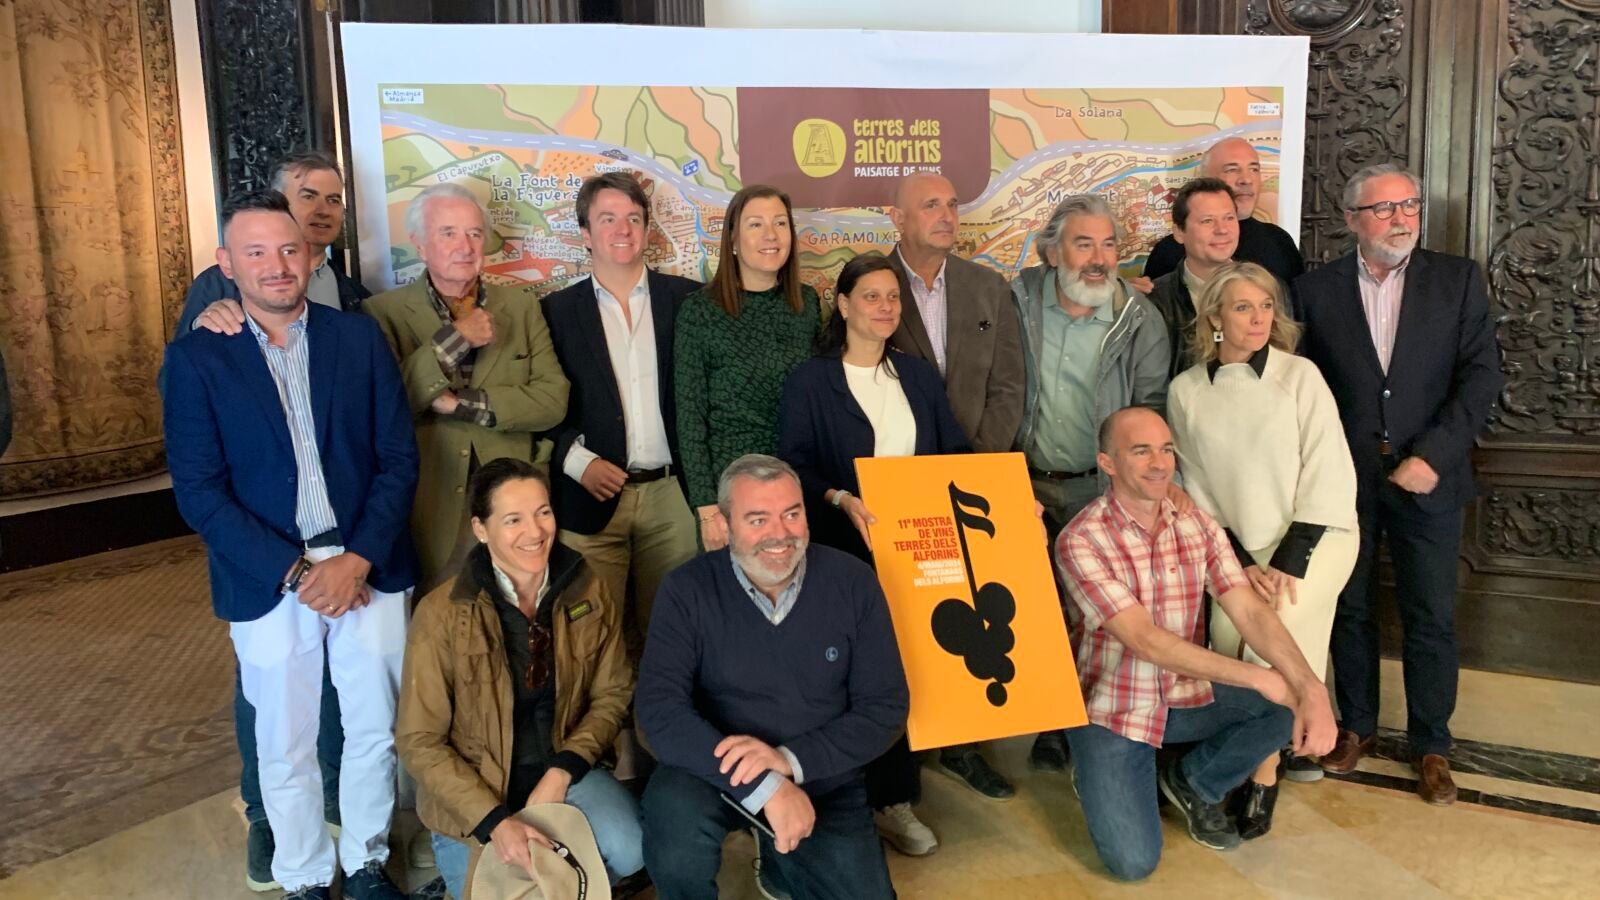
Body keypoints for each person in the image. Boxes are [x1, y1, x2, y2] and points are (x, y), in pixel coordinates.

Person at [163, 190, 418, 900]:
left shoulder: (357, 339)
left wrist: (356, 560)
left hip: (368, 564)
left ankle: (366, 865)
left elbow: (399, 460)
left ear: (309, 255)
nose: (276, 265)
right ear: (226, 264)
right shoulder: (197, 359)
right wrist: (301, 572)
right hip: (268, 578)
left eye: (288, 249)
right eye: (256, 252)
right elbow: (200, 493)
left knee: (374, 729)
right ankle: (304, 876)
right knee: (284, 741)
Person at [1293, 164, 1503, 804]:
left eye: (1409, 205)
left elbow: (1481, 377)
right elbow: (1302, 386)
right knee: (1350, 608)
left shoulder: (1456, 280)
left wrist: (1433, 456)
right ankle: (1357, 727)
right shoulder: (1314, 290)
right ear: (1352, 219)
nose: (1400, 219)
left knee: (1430, 614)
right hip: (1344, 480)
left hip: (1429, 479)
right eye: (1384, 209)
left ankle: (1431, 744)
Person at [1057, 407, 1337, 881]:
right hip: (1113, 709)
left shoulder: (1197, 525)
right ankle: (1093, 765)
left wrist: (1310, 687)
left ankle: (1192, 782)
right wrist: (1261, 677)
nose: (1159, 463)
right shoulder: (1081, 539)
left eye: (1166, 449)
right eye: (1141, 451)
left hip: (1183, 694)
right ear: (1107, 463)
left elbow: (1248, 609)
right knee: (1133, 864)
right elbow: (1146, 641)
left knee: (1284, 703)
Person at [637, 454, 907, 900]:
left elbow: (885, 707)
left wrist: (788, 761)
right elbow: (658, 710)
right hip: (710, 767)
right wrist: (766, 787)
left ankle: (784, 863)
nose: (780, 534)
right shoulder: (686, 589)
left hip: (820, 775)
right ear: (725, 525)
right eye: (758, 519)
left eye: (792, 514)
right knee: (675, 837)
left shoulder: (854, 582)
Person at [777, 252, 968, 858]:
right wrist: (840, 498)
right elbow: (794, 464)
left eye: (892, 297)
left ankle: (893, 800)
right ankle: (838, 796)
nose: (885, 307)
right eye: (871, 296)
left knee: (905, 668)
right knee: (851, 675)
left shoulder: (917, 376)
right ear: (843, 305)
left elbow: (956, 452)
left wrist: (1012, 502)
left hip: (919, 551)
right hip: (843, 552)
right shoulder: (811, 382)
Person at [1167, 261, 1359, 832]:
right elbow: (1197, 489)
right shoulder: (1185, 391)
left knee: (1273, 640)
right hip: (1236, 550)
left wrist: (1283, 563)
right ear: (1215, 317)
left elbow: (1328, 469)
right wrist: (1239, 563)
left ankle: (1263, 772)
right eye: (1243, 307)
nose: (1258, 319)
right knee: (1229, 646)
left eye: (1266, 306)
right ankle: (1253, 750)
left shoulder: (1300, 376)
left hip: (1317, 539)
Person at [395, 458, 643, 900]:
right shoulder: (441, 613)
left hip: (562, 774)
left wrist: (563, 770)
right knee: (497, 887)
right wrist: (494, 821)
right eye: (513, 520)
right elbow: (419, 740)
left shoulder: (588, 588)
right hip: (478, 799)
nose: (535, 531)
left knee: (633, 848)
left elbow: (614, 692)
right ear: (481, 528)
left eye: (543, 512)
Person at [1010, 194, 1172, 773]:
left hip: (1097, 492)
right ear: (1052, 253)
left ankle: (1087, 726)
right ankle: (1052, 718)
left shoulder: (1140, 320)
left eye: (1109, 245)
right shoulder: (1015, 304)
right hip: (1021, 484)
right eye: (1084, 244)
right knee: (1036, 610)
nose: (1100, 259)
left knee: (1094, 614)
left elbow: (1152, 407)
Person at [885, 171, 1023, 800]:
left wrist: (976, 464)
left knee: (971, 615)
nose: (946, 215)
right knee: (908, 621)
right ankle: (903, 751)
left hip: (975, 485)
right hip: (900, 486)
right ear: (897, 218)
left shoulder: (987, 288)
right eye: (930, 206)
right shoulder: (872, 286)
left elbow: (1009, 386)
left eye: (951, 204)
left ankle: (965, 744)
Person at [363, 183, 570, 591]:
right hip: (432, 502)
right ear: (419, 245)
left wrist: (458, 404)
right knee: (443, 614)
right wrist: (455, 338)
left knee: (522, 607)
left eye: (475, 233)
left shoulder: (521, 307)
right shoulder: (382, 313)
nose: (465, 246)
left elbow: (553, 400)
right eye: (448, 233)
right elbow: (387, 404)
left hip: (515, 504)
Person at [543, 173, 702, 663]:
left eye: (634, 218)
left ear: (648, 230)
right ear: (585, 234)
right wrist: (578, 462)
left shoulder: (690, 301)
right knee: (591, 642)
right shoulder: (553, 313)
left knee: (675, 638)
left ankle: (658, 717)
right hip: (589, 499)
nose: (623, 229)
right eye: (608, 218)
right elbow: (540, 408)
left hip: (673, 499)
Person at [675, 184, 821, 552]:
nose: (771, 235)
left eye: (780, 223)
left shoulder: (807, 304)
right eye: (756, 224)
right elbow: (690, 416)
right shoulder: (700, 311)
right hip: (731, 489)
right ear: (733, 239)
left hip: (797, 484)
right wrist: (706, 509)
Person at [175, 149, 370, 337]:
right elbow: (183, 354)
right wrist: (200, 326)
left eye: (333, 200)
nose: (323, 211)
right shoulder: (215, 284)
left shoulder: (357, 295)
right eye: (309, 197)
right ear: (277, 202)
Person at [1139, 136, 1305, 287]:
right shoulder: (1169, 251)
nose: (1246, 180)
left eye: (1254, 169)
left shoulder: (1279, 241)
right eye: (1232, 169)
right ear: (1205, 179)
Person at [1145, 178, 1243, 378]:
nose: (1222, 229)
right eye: (1207, 221)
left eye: (1229, 218)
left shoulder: (1268, 290)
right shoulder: (1154, 302)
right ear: (1179, 232)